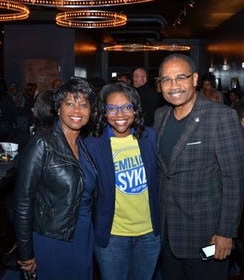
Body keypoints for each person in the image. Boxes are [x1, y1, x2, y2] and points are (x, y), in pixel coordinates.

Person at [154, 54, 244, 280]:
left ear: (194, 79)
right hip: (167, 232)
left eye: (180, 77)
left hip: (205, 233)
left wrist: (226, 232)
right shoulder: (160, 115)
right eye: (166, 80)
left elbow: (233, 179)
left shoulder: (221, 116)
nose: (173, 85)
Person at [14, 77, 97, 280]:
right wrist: (26, 253)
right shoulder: (42, 143)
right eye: (70, 103)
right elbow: (23, 202)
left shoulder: (84, 144)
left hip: (84, 233)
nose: (77, 110)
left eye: (83, 105)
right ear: (58, 108)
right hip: (53, 237)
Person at [85, 82, 160, 280]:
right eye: (112, 108)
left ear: (135, 110)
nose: (120, 114)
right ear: (104, 111)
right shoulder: (93, 145)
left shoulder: (150, 137)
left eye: (127, 107)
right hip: (113, 236)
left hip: (150, 234)